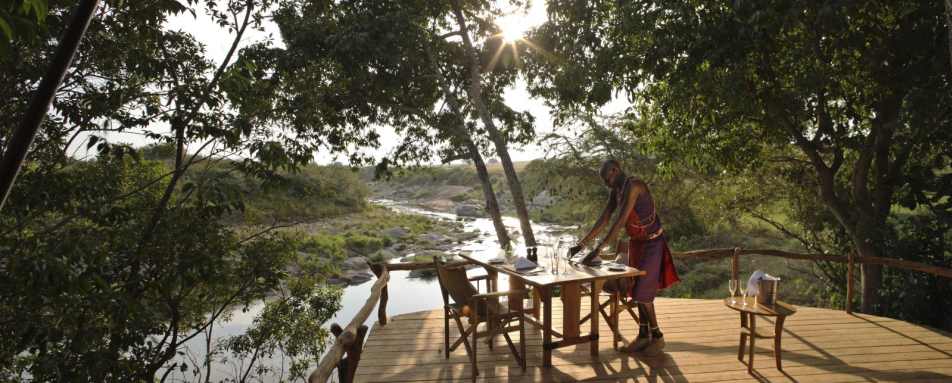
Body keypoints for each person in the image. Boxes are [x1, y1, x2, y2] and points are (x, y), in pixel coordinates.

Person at [569, 159, 680, 353]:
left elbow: (619, 221)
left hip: (653, 243)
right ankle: (644, 336)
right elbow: (604, 219)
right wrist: (580, 245)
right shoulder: (616, 192)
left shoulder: (635, 186)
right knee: (636, 290)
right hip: (637, 243)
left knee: (642, 293)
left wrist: (598, 250)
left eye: (607, 178)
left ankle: (658, 337)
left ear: (615, 170)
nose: (606, 183)